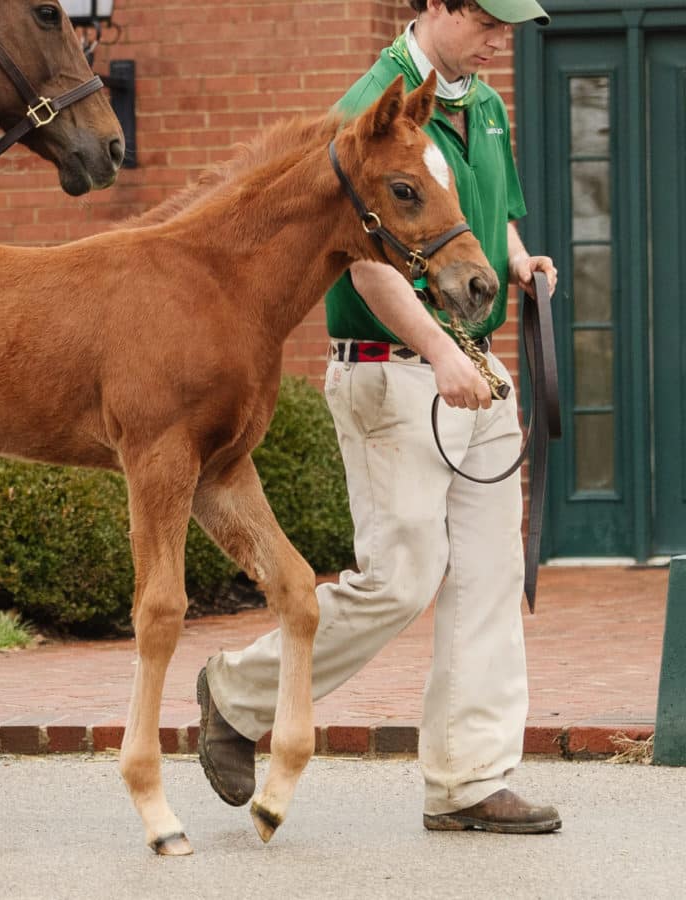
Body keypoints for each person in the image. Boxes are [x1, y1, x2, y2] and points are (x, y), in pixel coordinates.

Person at [196, 0, 561, 833]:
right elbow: (367, 259)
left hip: (475, 367)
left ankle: (470, 780)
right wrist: (437, 351)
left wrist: (515, 259)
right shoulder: (373, 106)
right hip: (393, 372)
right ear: (436, 6)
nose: (502, 41)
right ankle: (238, 692)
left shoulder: (483, 103)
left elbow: (485, 213)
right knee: (400, 578)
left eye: (509, 27)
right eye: (489, 21)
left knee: (488, 577)